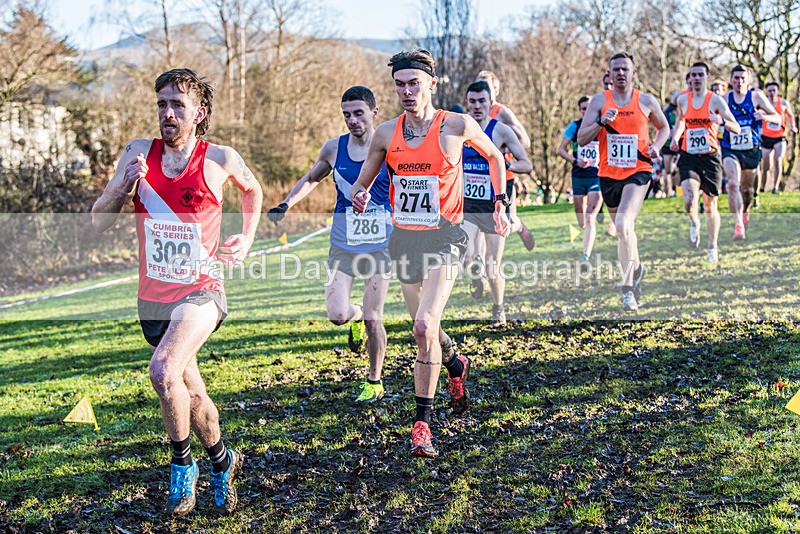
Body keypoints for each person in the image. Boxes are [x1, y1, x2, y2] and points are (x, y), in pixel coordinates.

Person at [91, 69, 263, 516]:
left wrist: (246, 237)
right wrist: (124, 186)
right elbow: (98, 220)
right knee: (190, 392)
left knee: (163, 371)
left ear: (199, 113)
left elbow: (253, 190)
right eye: (162, 104)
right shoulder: (137, 153)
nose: (167, 114)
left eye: (177, 106)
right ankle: (223, 460)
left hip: (202, 290)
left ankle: (182, 468)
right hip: (153, 297)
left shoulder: (218, 158)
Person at [350, 49, 511, 458]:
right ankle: (456, 364)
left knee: (423, 326)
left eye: (414, 83)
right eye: (399, 84)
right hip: (405, 239)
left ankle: (422, 425)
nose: (406, 91)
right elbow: (363, 181)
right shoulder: (386, 133)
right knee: (429, 328)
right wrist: (360, 194)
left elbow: (495, 156)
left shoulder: (457, 125)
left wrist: (500, 200)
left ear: (431, 84)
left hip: (446, 236)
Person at [267, 86, 393, 403]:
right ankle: (355, 318)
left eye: (359, 113)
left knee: (374, 316)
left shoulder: (390, 146)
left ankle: (374, 381)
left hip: (381, 244)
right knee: (337, 314)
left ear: (374, 112)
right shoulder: (334, 148)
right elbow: (312, 178)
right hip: (343, 243)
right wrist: (286, 203)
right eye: (346, 115)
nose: (352, 120)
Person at [578, 51, 669, 311]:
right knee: (624, 231)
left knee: (623, 223)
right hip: (608, 174)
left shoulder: (646, 101)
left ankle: (628, 290)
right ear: (609, 74)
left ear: (633, 73)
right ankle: (637, 269)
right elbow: (582, 139)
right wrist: (600, 122)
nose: (620, 73)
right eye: (615, 69)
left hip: (638, 170)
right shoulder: (599, 101)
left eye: (625, 69)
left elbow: (664, 128)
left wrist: (657, 146)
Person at [463, 80, 532, 326]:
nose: (477, 106)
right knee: (466, 256)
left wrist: (503, 164)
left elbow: (526, 163)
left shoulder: (501, 131)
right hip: (467, 205)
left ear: (491, 103)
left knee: (493, 266)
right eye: (472, 101)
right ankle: (475, 276)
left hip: (495, 207)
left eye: (482, 101)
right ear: (466, 103)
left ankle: (498, 307)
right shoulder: (459, 128)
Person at [670, 62, 741, 263]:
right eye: (693, 75)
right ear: (690, 78)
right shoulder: (683, 100)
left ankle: (712, 245)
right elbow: (681, 121)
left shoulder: (715, 100)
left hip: (710, 157)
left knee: (710, 206)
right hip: (689, 156)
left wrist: (721, 122)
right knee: (689, 199)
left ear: (707, 77)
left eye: (700, 74)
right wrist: (676, 138)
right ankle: (694, 222)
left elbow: (736, 127)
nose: (697, 78)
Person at [476, 70, 536, 251]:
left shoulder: (502, 112)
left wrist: (501, 149)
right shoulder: (474, 111)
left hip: (504, 175)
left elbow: (525, 142)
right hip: (478, 176)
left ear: (495, 90)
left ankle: (520, 227)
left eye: (487, 87)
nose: (481, 89)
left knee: (507, 221)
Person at [720, 65, 780, 240]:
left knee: (747, 190)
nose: (739, 81)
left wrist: (764, 117)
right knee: (733, 184)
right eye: (736, 78)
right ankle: (738, 224)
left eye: (743, 78)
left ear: (749, 80)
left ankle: (745, 211)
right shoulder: (724, 99)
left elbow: (777, 117)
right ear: (731, 80)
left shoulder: (756, 97)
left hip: (751, 148)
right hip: (730, 148)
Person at [557, 95, 603, 263]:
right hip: (578, 177)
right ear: (580, 110)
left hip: (596, 177)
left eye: (590, 108)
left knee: (590, 218)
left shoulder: (601, 125)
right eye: (584, 109)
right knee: (582, 221)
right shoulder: (575, 126)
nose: (587, 111)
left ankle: (585, 256)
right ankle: (586, 235)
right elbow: (561, 150)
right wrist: (575, 160)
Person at [761, 81, 797, 194]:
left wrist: (793, 126)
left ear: (777, 91)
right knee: (766, 165)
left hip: (779, 136)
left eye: (774, 90)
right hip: (766, 136)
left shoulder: (783, 103)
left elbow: (790, 115)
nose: (772, 93)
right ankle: (762, 187)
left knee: (778, 160)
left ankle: (775, 188)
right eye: (769, 90)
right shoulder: (763, 103)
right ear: (766, 92)